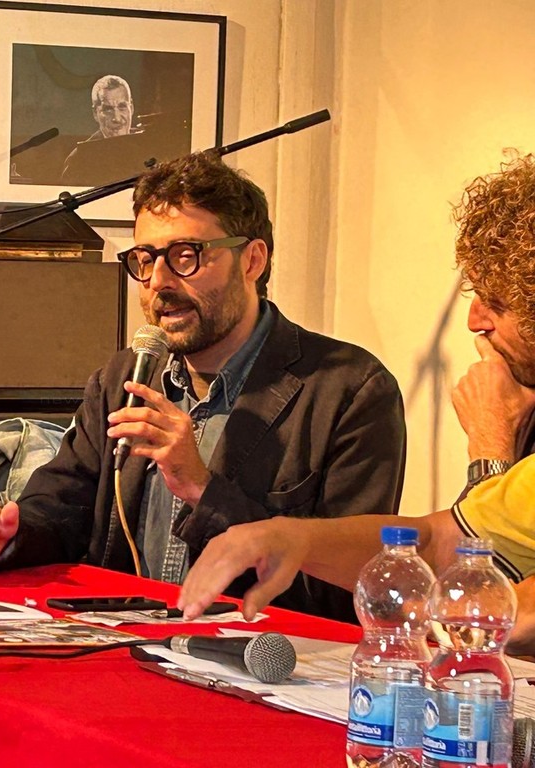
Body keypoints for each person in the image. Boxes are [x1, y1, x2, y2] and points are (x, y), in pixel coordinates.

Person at [0, 151, 407, 623]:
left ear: (252, 260)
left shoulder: (349, 390)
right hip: (123, 645)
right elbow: (61, 510)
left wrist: (201, 488)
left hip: (260, 655)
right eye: (144, 259)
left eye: (185, 256)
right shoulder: (123, 378)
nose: (158, 282)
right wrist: (6, 535)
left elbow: (346, 590)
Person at [176, 153, 535, 652]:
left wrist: (491, 445)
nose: (475, 321)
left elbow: (501, 606)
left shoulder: (353, 385)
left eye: (496, 301)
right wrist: (290, 537)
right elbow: (439, 544)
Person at [61, 75, 137, 185]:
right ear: (95, 114)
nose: (117, 118)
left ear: (132, 108)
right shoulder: (79, 160)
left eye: (122, 107)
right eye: (108, 109)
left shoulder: (148, 146)